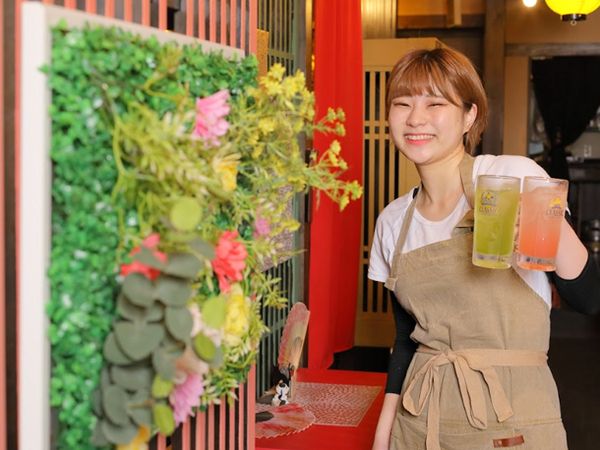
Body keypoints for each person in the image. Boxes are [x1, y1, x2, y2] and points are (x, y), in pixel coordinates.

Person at [368, 47, 600, 450]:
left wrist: (544, 222)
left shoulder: (510, 175)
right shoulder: (392, 221)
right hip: (420, 421)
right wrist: (383, 433)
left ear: (469, 115)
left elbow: (589, 298)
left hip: (513, 420)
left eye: (435, 103)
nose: (415, 118)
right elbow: (406, 338)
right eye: (402, 103)